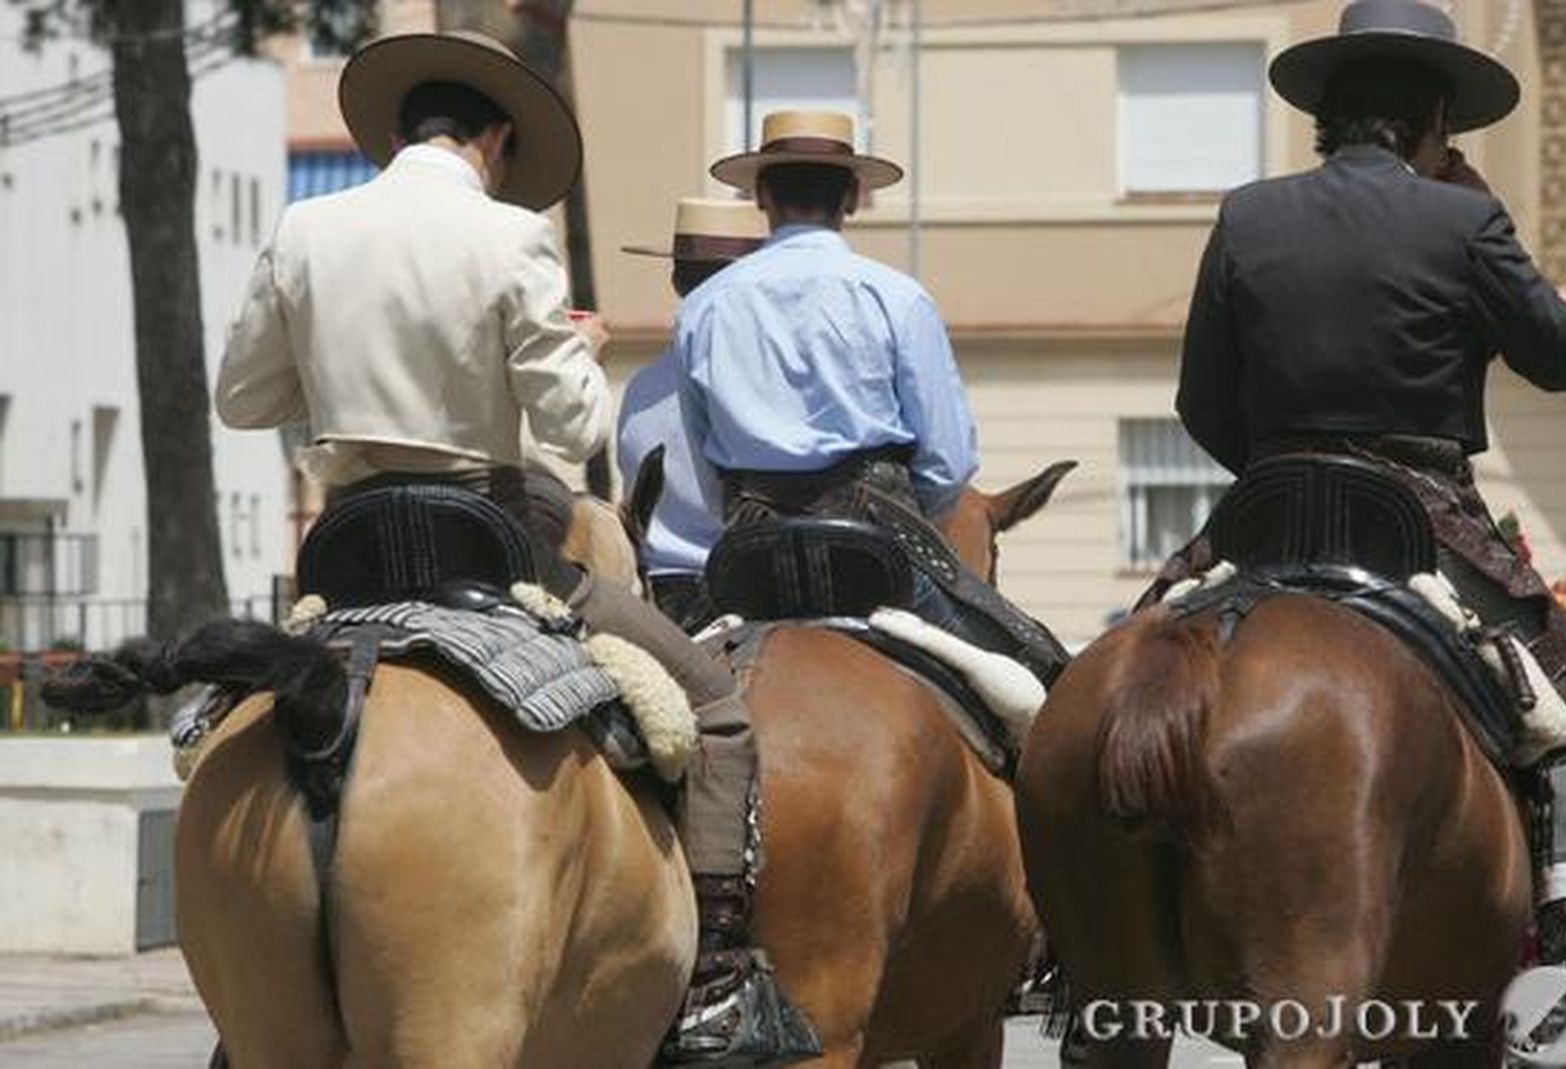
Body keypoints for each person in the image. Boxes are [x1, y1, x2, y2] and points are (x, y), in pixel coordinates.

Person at [214, 31, 815, 1065]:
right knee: (711, 710)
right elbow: (575, 431)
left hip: (344, 551)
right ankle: (716, 978)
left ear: (396, 136)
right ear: (491, 140)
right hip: (485, 548)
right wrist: (579, 351)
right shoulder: (511, 239)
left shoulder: (304, 226)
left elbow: (242, 399)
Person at [1172, 0, 1566, 983]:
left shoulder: (1246, 211)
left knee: (1134, 645)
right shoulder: (1463, 215)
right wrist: (1484, 224)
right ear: (1433, 123)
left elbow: (1199, 400)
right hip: (1424, 514)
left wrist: (1281, 473)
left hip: (1267, 504)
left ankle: (1078, 955)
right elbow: (1564, 357)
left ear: (1329, 114)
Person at [673, 111, 1067, 686]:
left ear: (761, 195)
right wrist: (917, 519)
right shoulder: (897, 297)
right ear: (853, 197)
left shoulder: (704, 307)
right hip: (876, 548)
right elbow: (948, 462)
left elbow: (700, 460)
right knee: (1036, 673)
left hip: (749, 555)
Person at [618, 198, 768, 633]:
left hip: (659, 600)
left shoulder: (640, 386)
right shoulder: (774, 386)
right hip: (746, 594)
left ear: (675, 280)